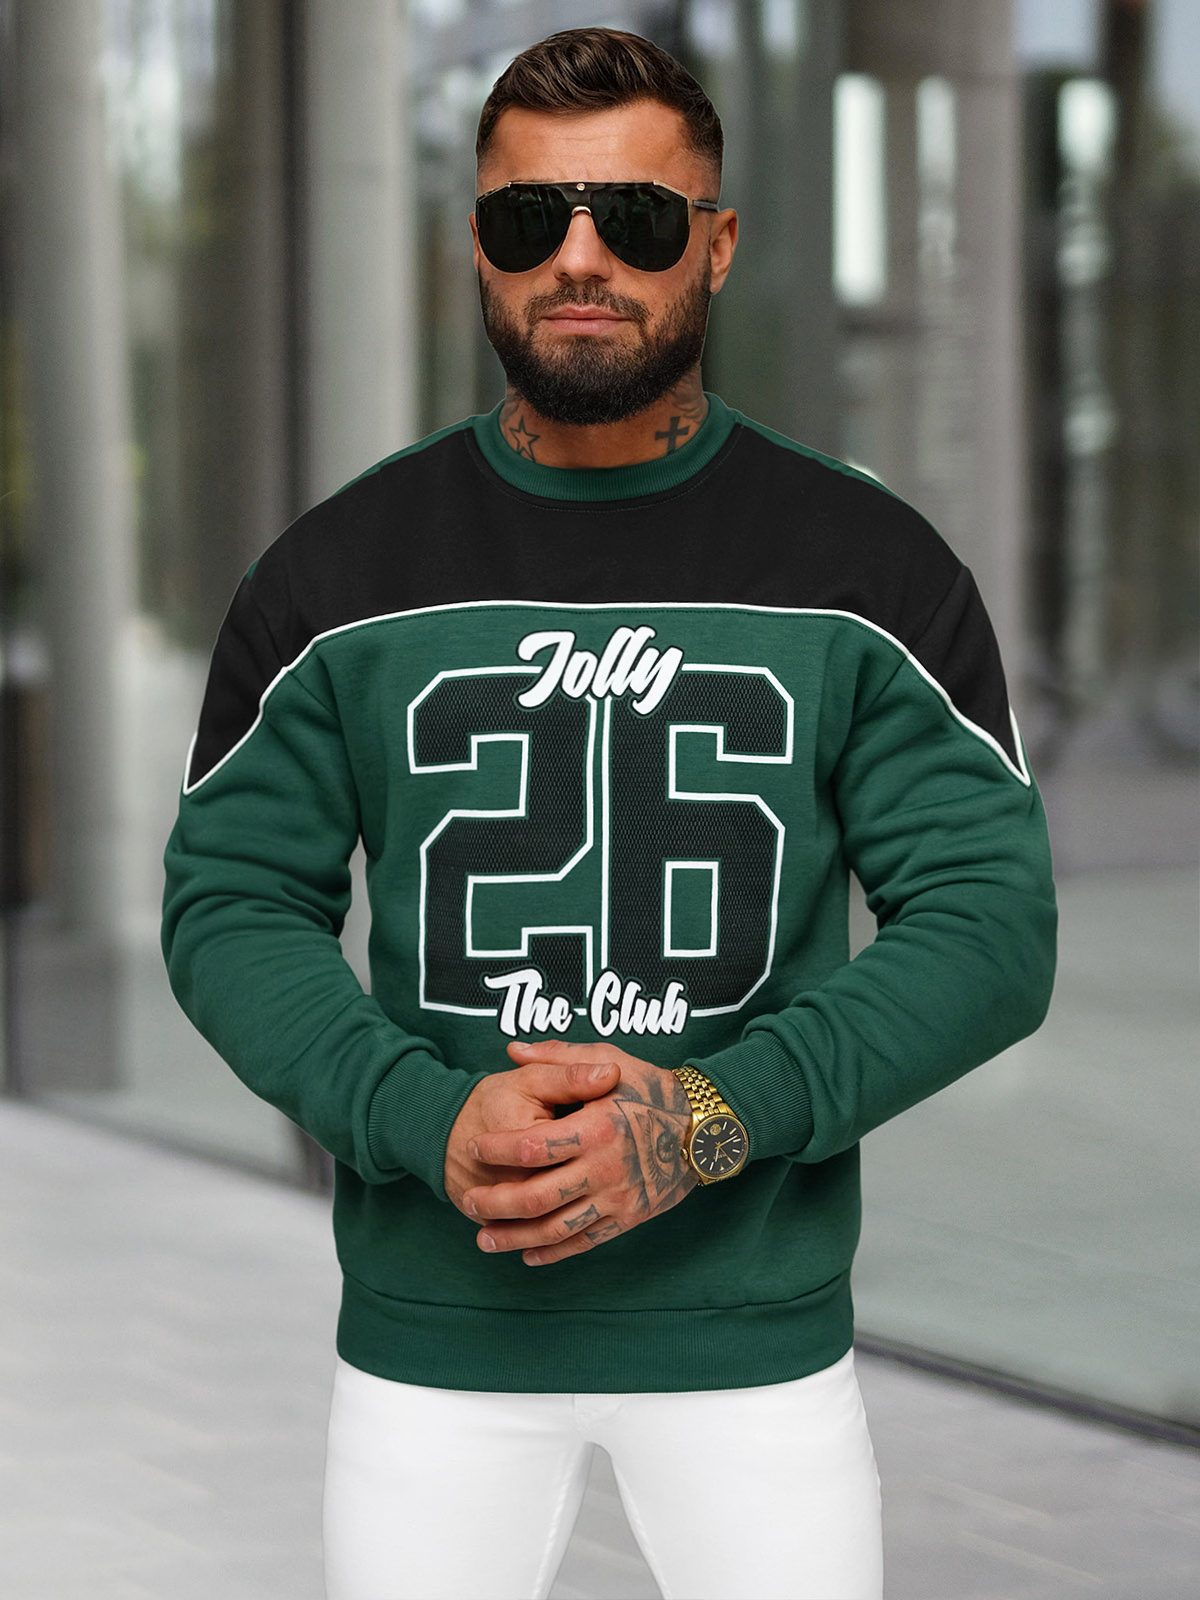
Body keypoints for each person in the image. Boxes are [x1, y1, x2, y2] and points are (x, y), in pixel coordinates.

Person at [162, 27, 1056, 1600]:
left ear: (717, 242)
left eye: (635, 218)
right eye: (531, 219)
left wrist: (706, 1121)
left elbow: (991, 927)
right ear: (479, 246)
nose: (579, 259)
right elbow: (231, 900)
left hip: (751, 1347)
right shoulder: (337, 573)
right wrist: (422, 1117)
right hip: (437, 1347)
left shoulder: (866, 567)